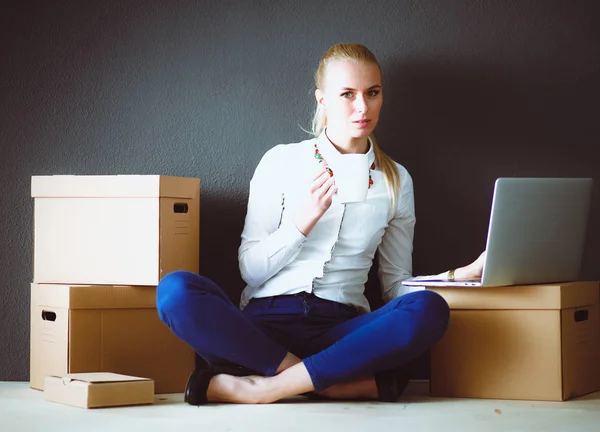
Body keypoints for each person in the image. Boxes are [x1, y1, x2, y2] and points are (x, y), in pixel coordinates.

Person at [156, 43, 486, 405]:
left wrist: (456, 277)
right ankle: (328, 382)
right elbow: (250, 271)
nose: (362, 107)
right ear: (323, 100)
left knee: (429, 310)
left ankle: (266, 387)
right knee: (175, 291)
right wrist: (301, 222)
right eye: (348, 94)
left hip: (340, 332)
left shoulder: (396, 180)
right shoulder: (281, 161)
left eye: (372, 93)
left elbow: (394, 289)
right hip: (263, 327)